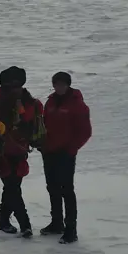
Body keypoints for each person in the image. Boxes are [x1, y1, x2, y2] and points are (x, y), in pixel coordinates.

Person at [0, 66, 45, 237]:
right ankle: (24, 223)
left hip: (19, 153)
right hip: (0, 154)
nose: (14, 91)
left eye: (17, 87)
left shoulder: (32, 104)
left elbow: (36, 129)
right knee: (12, 188)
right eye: (10, 87)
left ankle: (3, 221)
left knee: (12, 188)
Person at [40, 72, 92, 243]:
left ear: (68, 85)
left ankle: (71, 229)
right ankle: (57, 223)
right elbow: (44, 124)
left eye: (62, 84)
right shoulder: (50, 102)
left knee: (66, 190)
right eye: (56, 84)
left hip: (65, 154)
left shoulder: (78, 105)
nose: (59, 87)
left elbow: (85, 131)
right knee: (52, 188)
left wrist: (71, 149)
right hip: (49, 152)